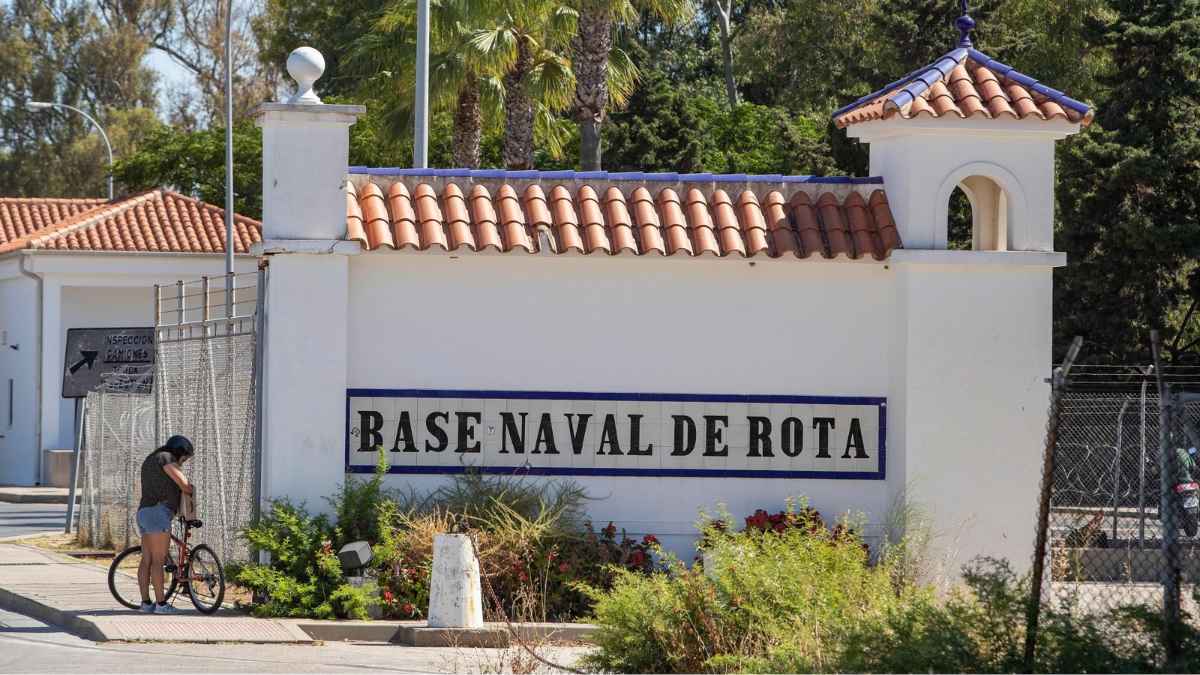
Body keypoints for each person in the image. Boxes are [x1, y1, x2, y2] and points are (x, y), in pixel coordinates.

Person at [135, 435, 194, 614]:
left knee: (147, 560)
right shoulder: (166, 458)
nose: (182, 463)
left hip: (144, 512)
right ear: (179, 452)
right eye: (183, 459)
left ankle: (146, 603)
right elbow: (184, 485)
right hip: (158, 513)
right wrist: (191, 490)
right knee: (158, 561)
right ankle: (161, 604)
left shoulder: (151, 459)